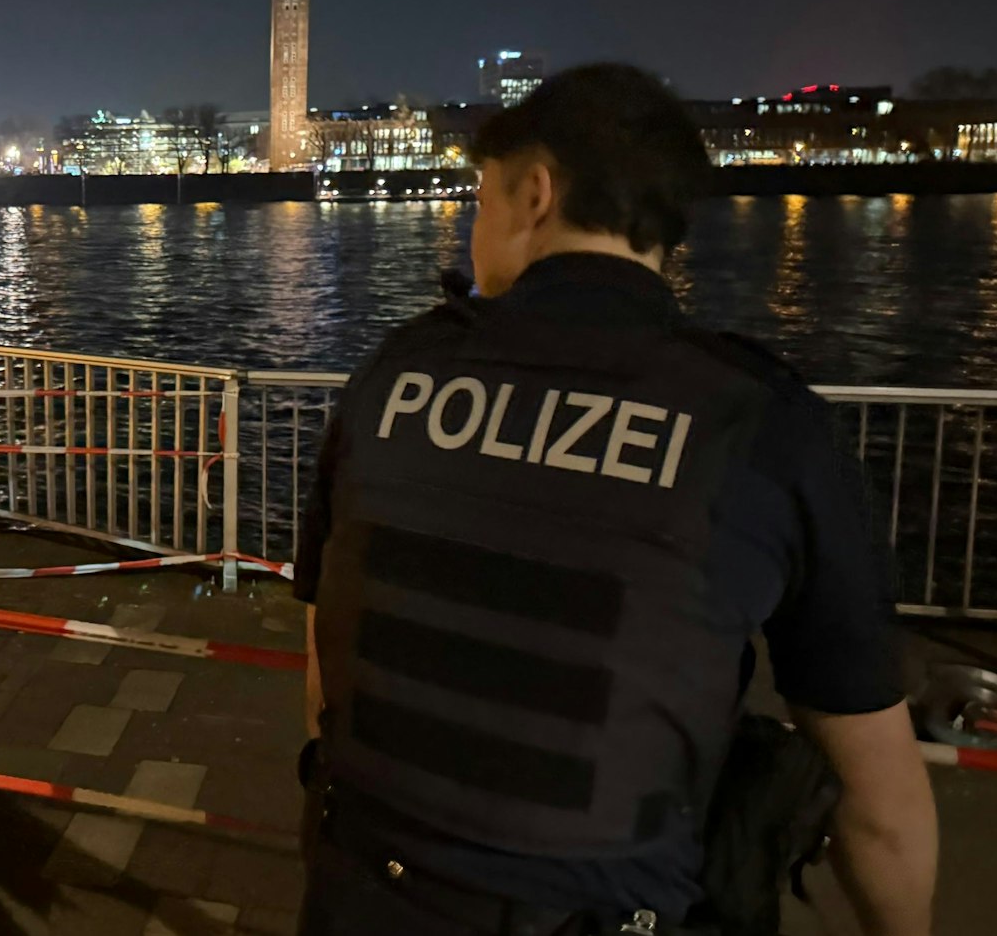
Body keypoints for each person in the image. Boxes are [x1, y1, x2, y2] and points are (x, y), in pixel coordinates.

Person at [295, 63, 938, 936]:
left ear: (534, 194)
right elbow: (880, 805)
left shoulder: (391, 379)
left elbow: (329, 670)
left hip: (364, 895)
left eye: (479, 200)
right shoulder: (762, 423)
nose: (470, 233)